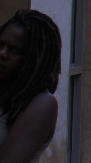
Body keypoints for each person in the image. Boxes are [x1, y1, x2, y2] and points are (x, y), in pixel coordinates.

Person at [0, 10, 60, 163]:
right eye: (0, 44)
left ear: (34, 59)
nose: (3, 54)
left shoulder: (41, 103)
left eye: (15, 50)